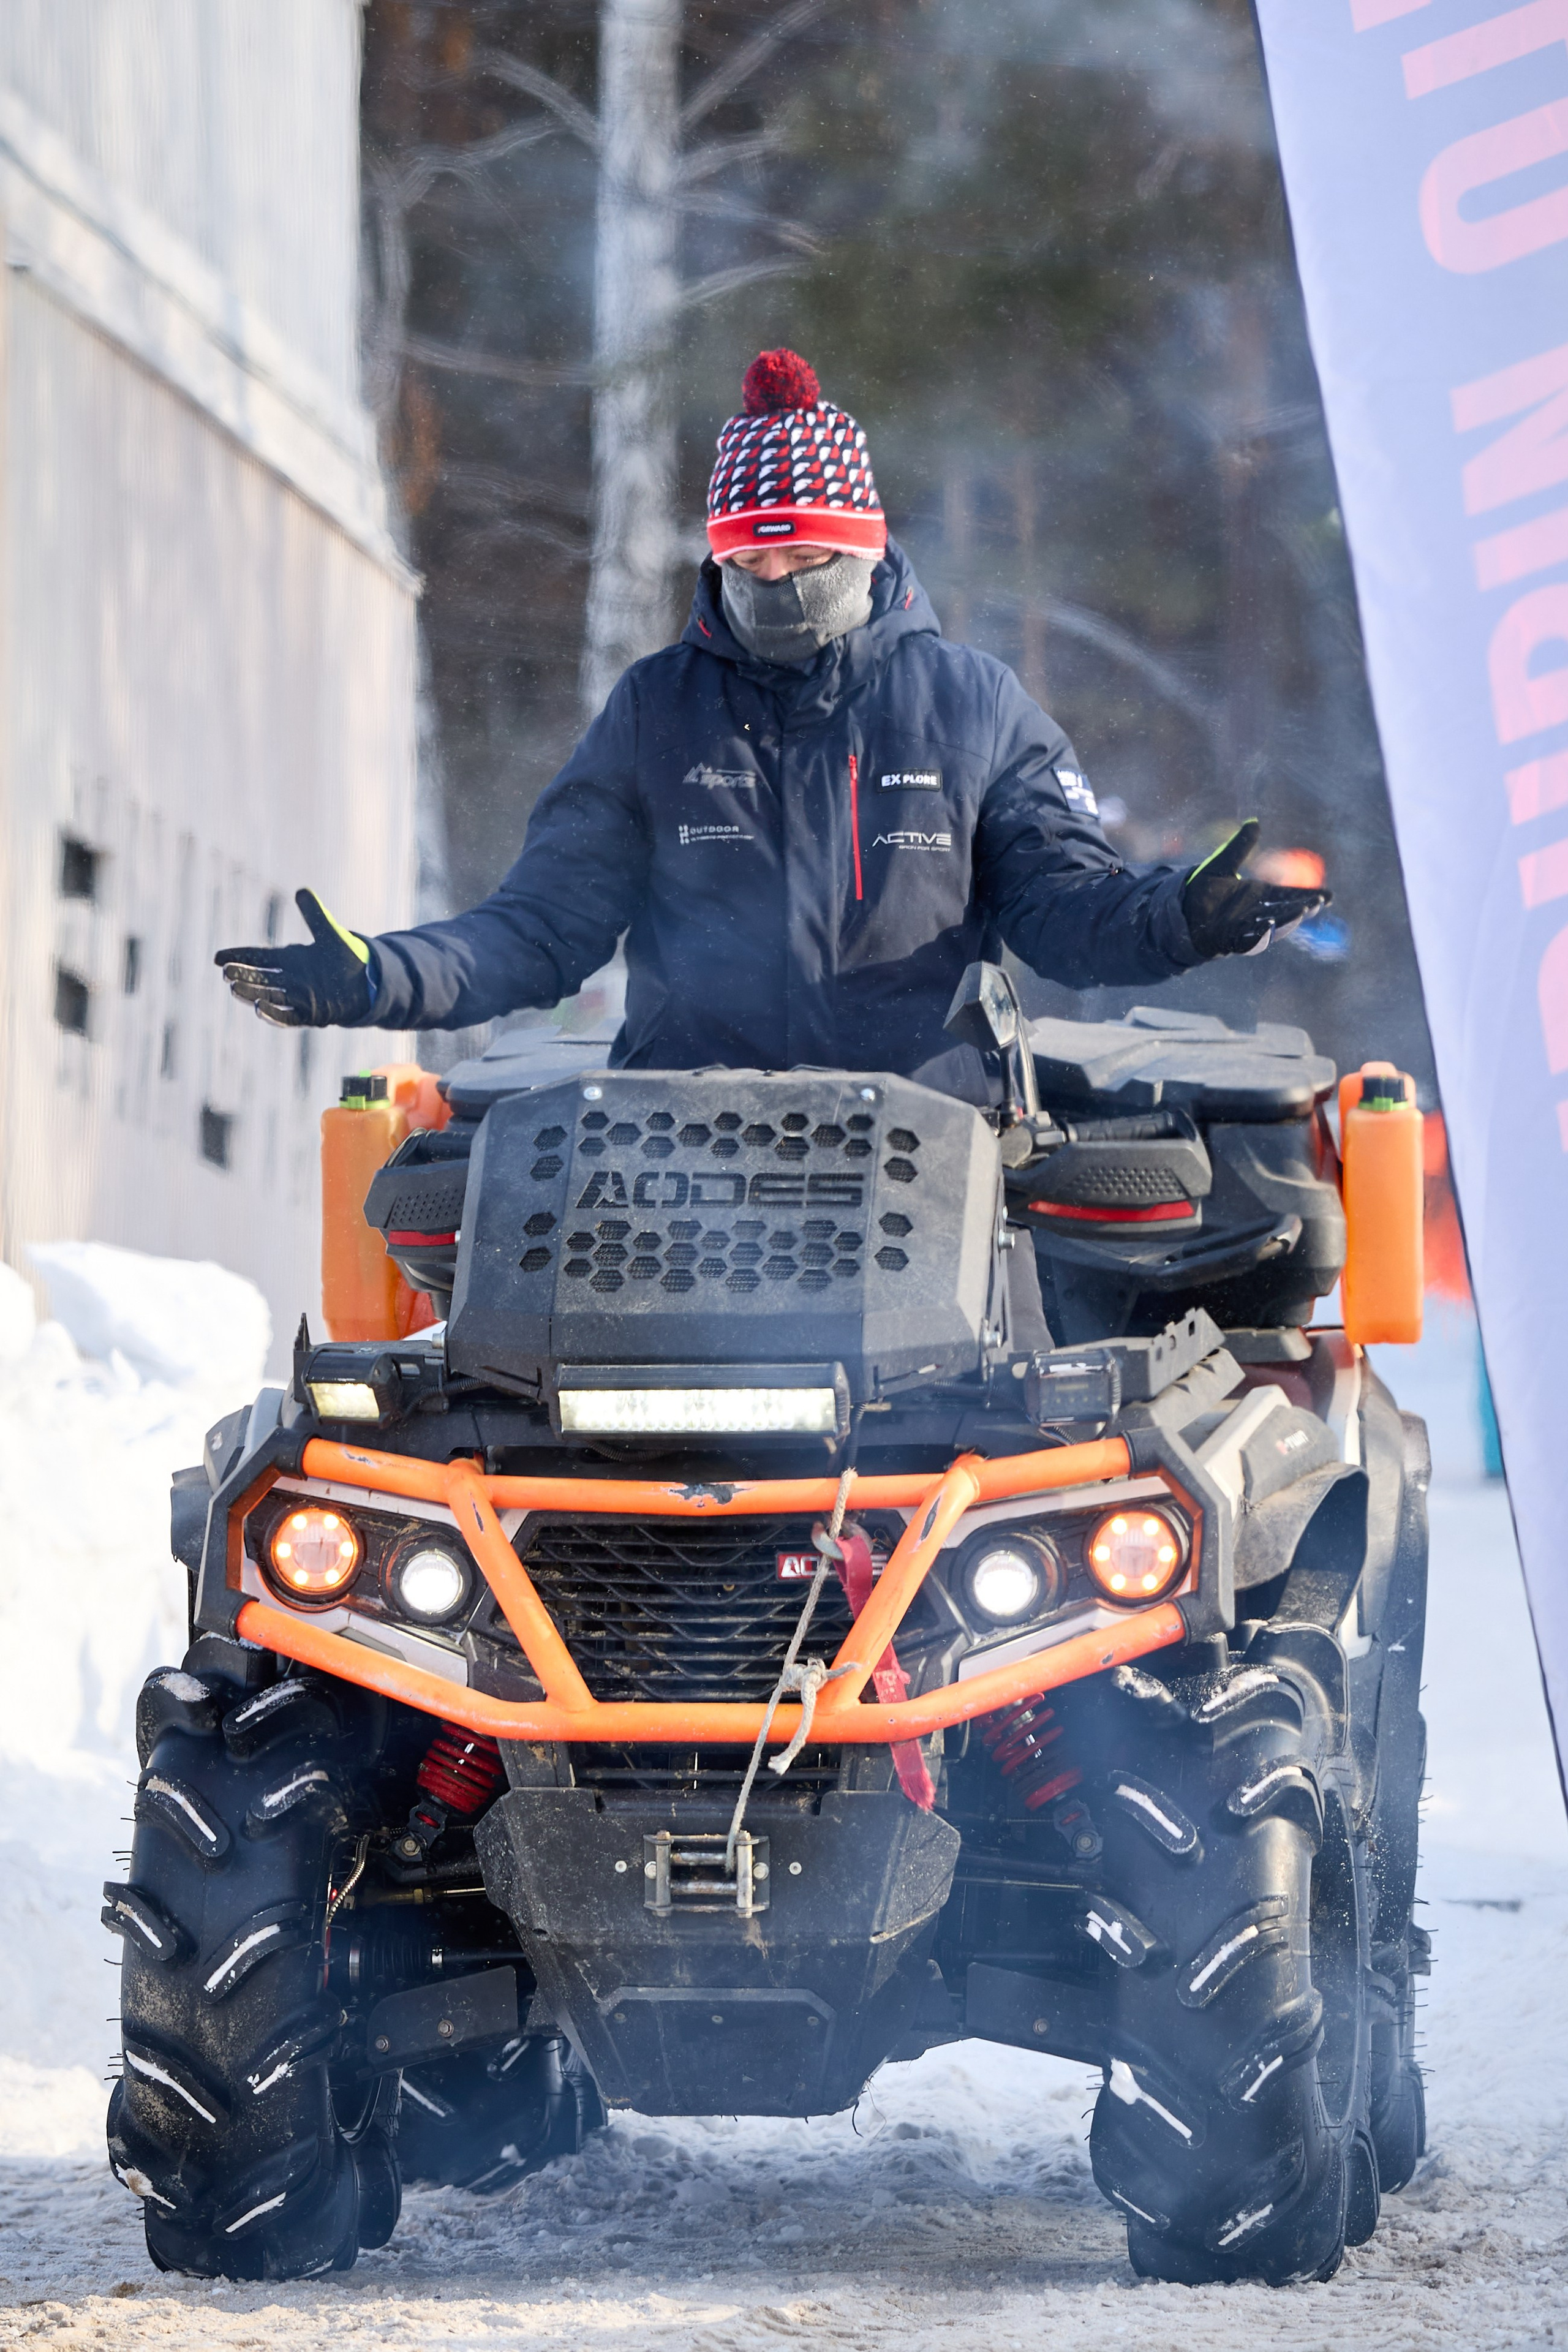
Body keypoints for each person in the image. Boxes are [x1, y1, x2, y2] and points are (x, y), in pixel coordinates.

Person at [217, 350, 1327, 1090]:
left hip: (931, 1151)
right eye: (751, 553)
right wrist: (378, 975)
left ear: (864, 547)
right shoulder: (658, 710)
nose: (777, 575)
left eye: (805, 553)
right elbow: (541, 929)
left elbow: (1066, 910)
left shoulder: (971, 706)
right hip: (682, 1159)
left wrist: (1182, 916)